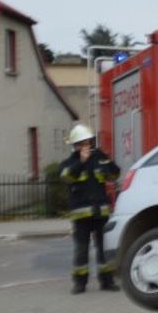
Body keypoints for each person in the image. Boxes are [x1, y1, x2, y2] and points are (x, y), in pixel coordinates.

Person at [59, 124, 121, 294]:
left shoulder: (100, 158)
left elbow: (114, 174)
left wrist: (107, 159)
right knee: (81, 250)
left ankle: (107, 281)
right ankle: (80, 283)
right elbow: (66, 177)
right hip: (81, 216)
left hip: (100, 213)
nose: (86, 146)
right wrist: (81, 162)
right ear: (75, 145)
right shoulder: (69, 162)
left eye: (88, 142)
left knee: (104, 249)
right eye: (82, 143)